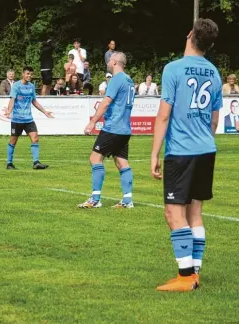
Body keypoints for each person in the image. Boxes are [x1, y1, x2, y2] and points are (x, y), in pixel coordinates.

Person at [151, 18, 222, 292]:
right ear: (210, 44)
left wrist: (155, 153)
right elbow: (215, 121)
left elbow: (164, 115)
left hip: (181, 151)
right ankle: (195, 274)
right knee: (195, 213)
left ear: (190, 35)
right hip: (206, 149)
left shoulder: (173, 69)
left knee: (173, 212)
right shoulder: (215, 73)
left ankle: (184, 276)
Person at [80, 52, 135, 209]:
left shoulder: (117, 79)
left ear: (116, 62)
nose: (108, 62)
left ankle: (95, 199)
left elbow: (105, 103)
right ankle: (127, 200)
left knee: (95, 158)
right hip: (124, 128)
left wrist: (92, 122)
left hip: (113, 127)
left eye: (110, 60)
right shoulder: (129, 80)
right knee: (121, 161)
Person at [4, 66, 54, 170]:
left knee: (35, 138)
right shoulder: (16, 86)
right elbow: (12, 99)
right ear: (23, 74)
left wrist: (45, 112)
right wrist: (9, 111)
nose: (29, 76)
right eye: (27, 74)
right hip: (17, 119)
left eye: (31, 74)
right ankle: (9, 163)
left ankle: (36, 163)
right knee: (13, 140)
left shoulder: (31, 86)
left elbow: (34, 101)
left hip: (28, 119)